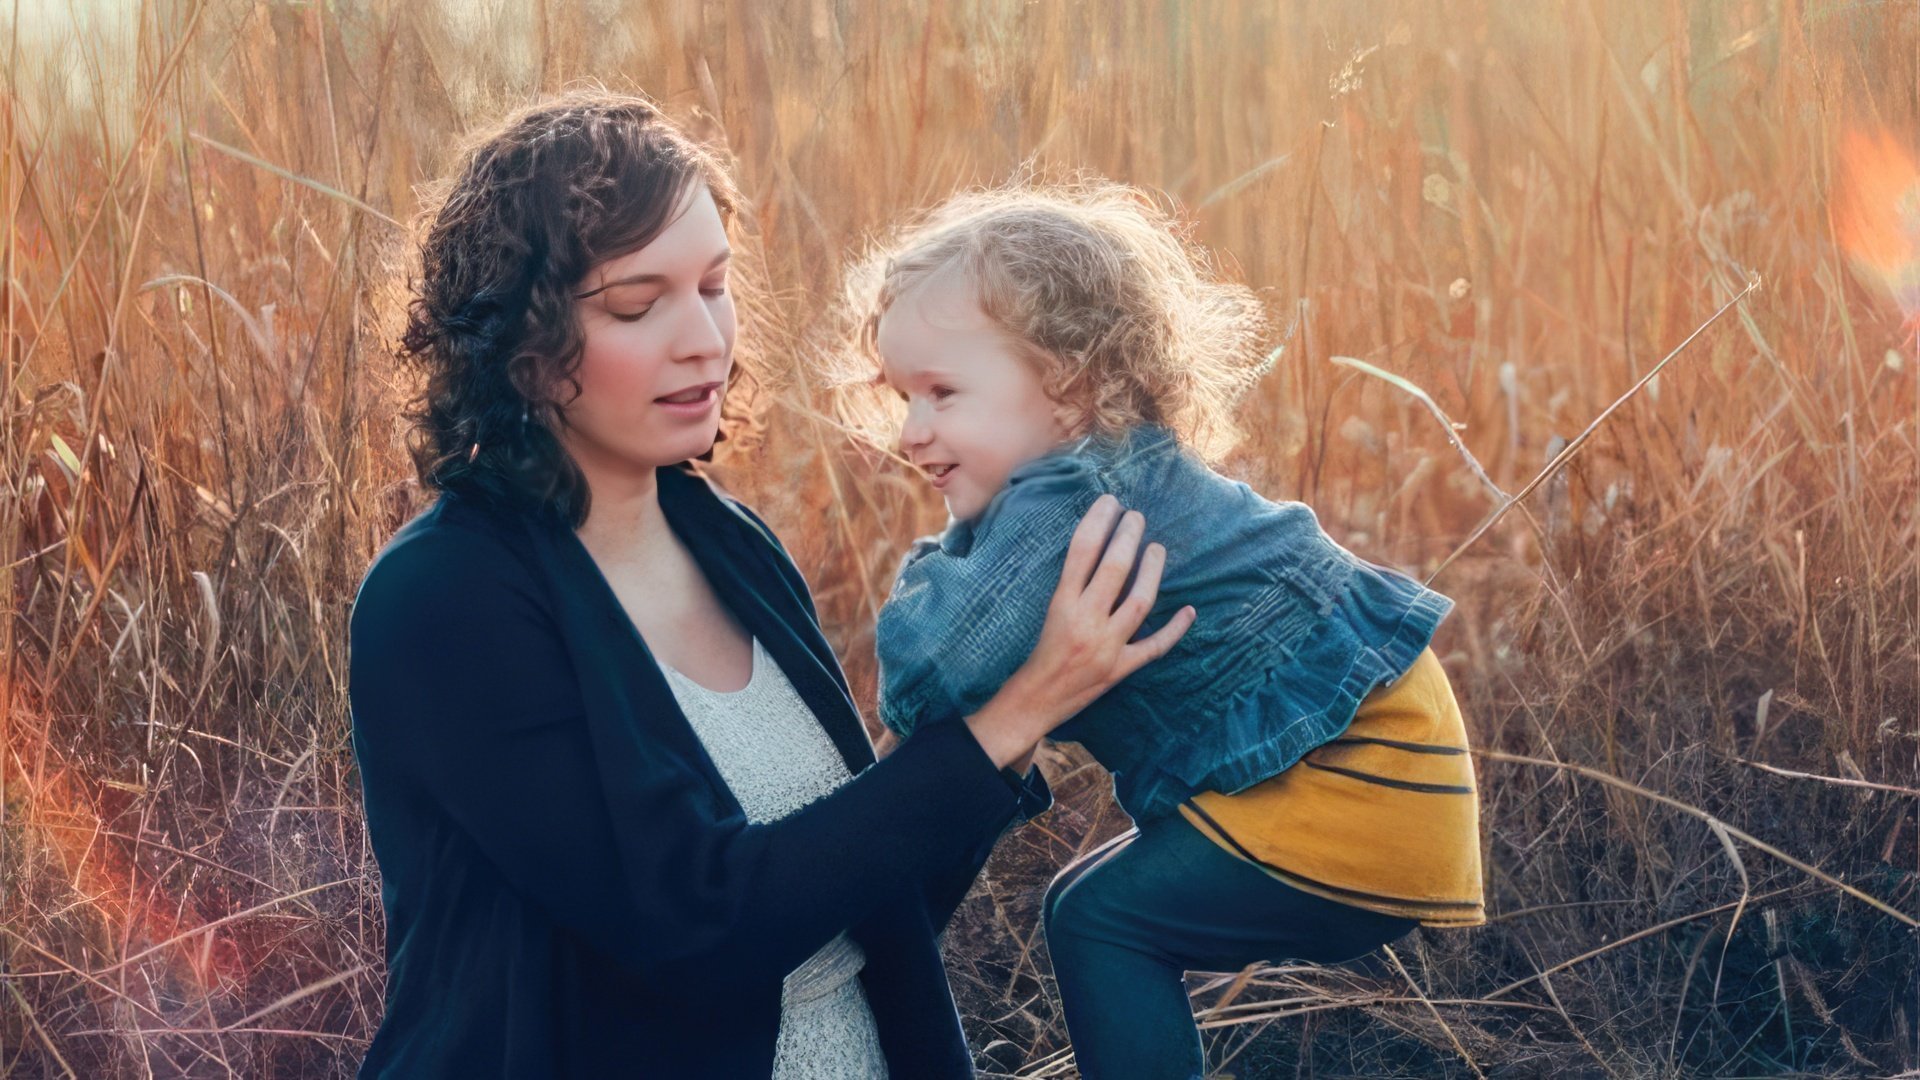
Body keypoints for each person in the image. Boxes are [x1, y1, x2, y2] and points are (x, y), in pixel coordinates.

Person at [345, 92, 1194, 1079]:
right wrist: (1015, 712)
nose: (703, 338)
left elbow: (863, 908)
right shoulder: (444, 600)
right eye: (637, 303)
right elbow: (693, 929)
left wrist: (1008, 714)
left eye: (713, 285)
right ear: (521, 347)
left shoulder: (729, 542)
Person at [843, 179, 1486, 1079]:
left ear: (1069, 388)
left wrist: (939, 558)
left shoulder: (1065, 495)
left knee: (1101, 921)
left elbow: (925, 676)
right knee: (1085, 900)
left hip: (1353, 782)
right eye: (902, 395)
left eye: (943, 392)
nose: (911, 433)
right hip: (1390, 766)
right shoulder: (1110, 470)